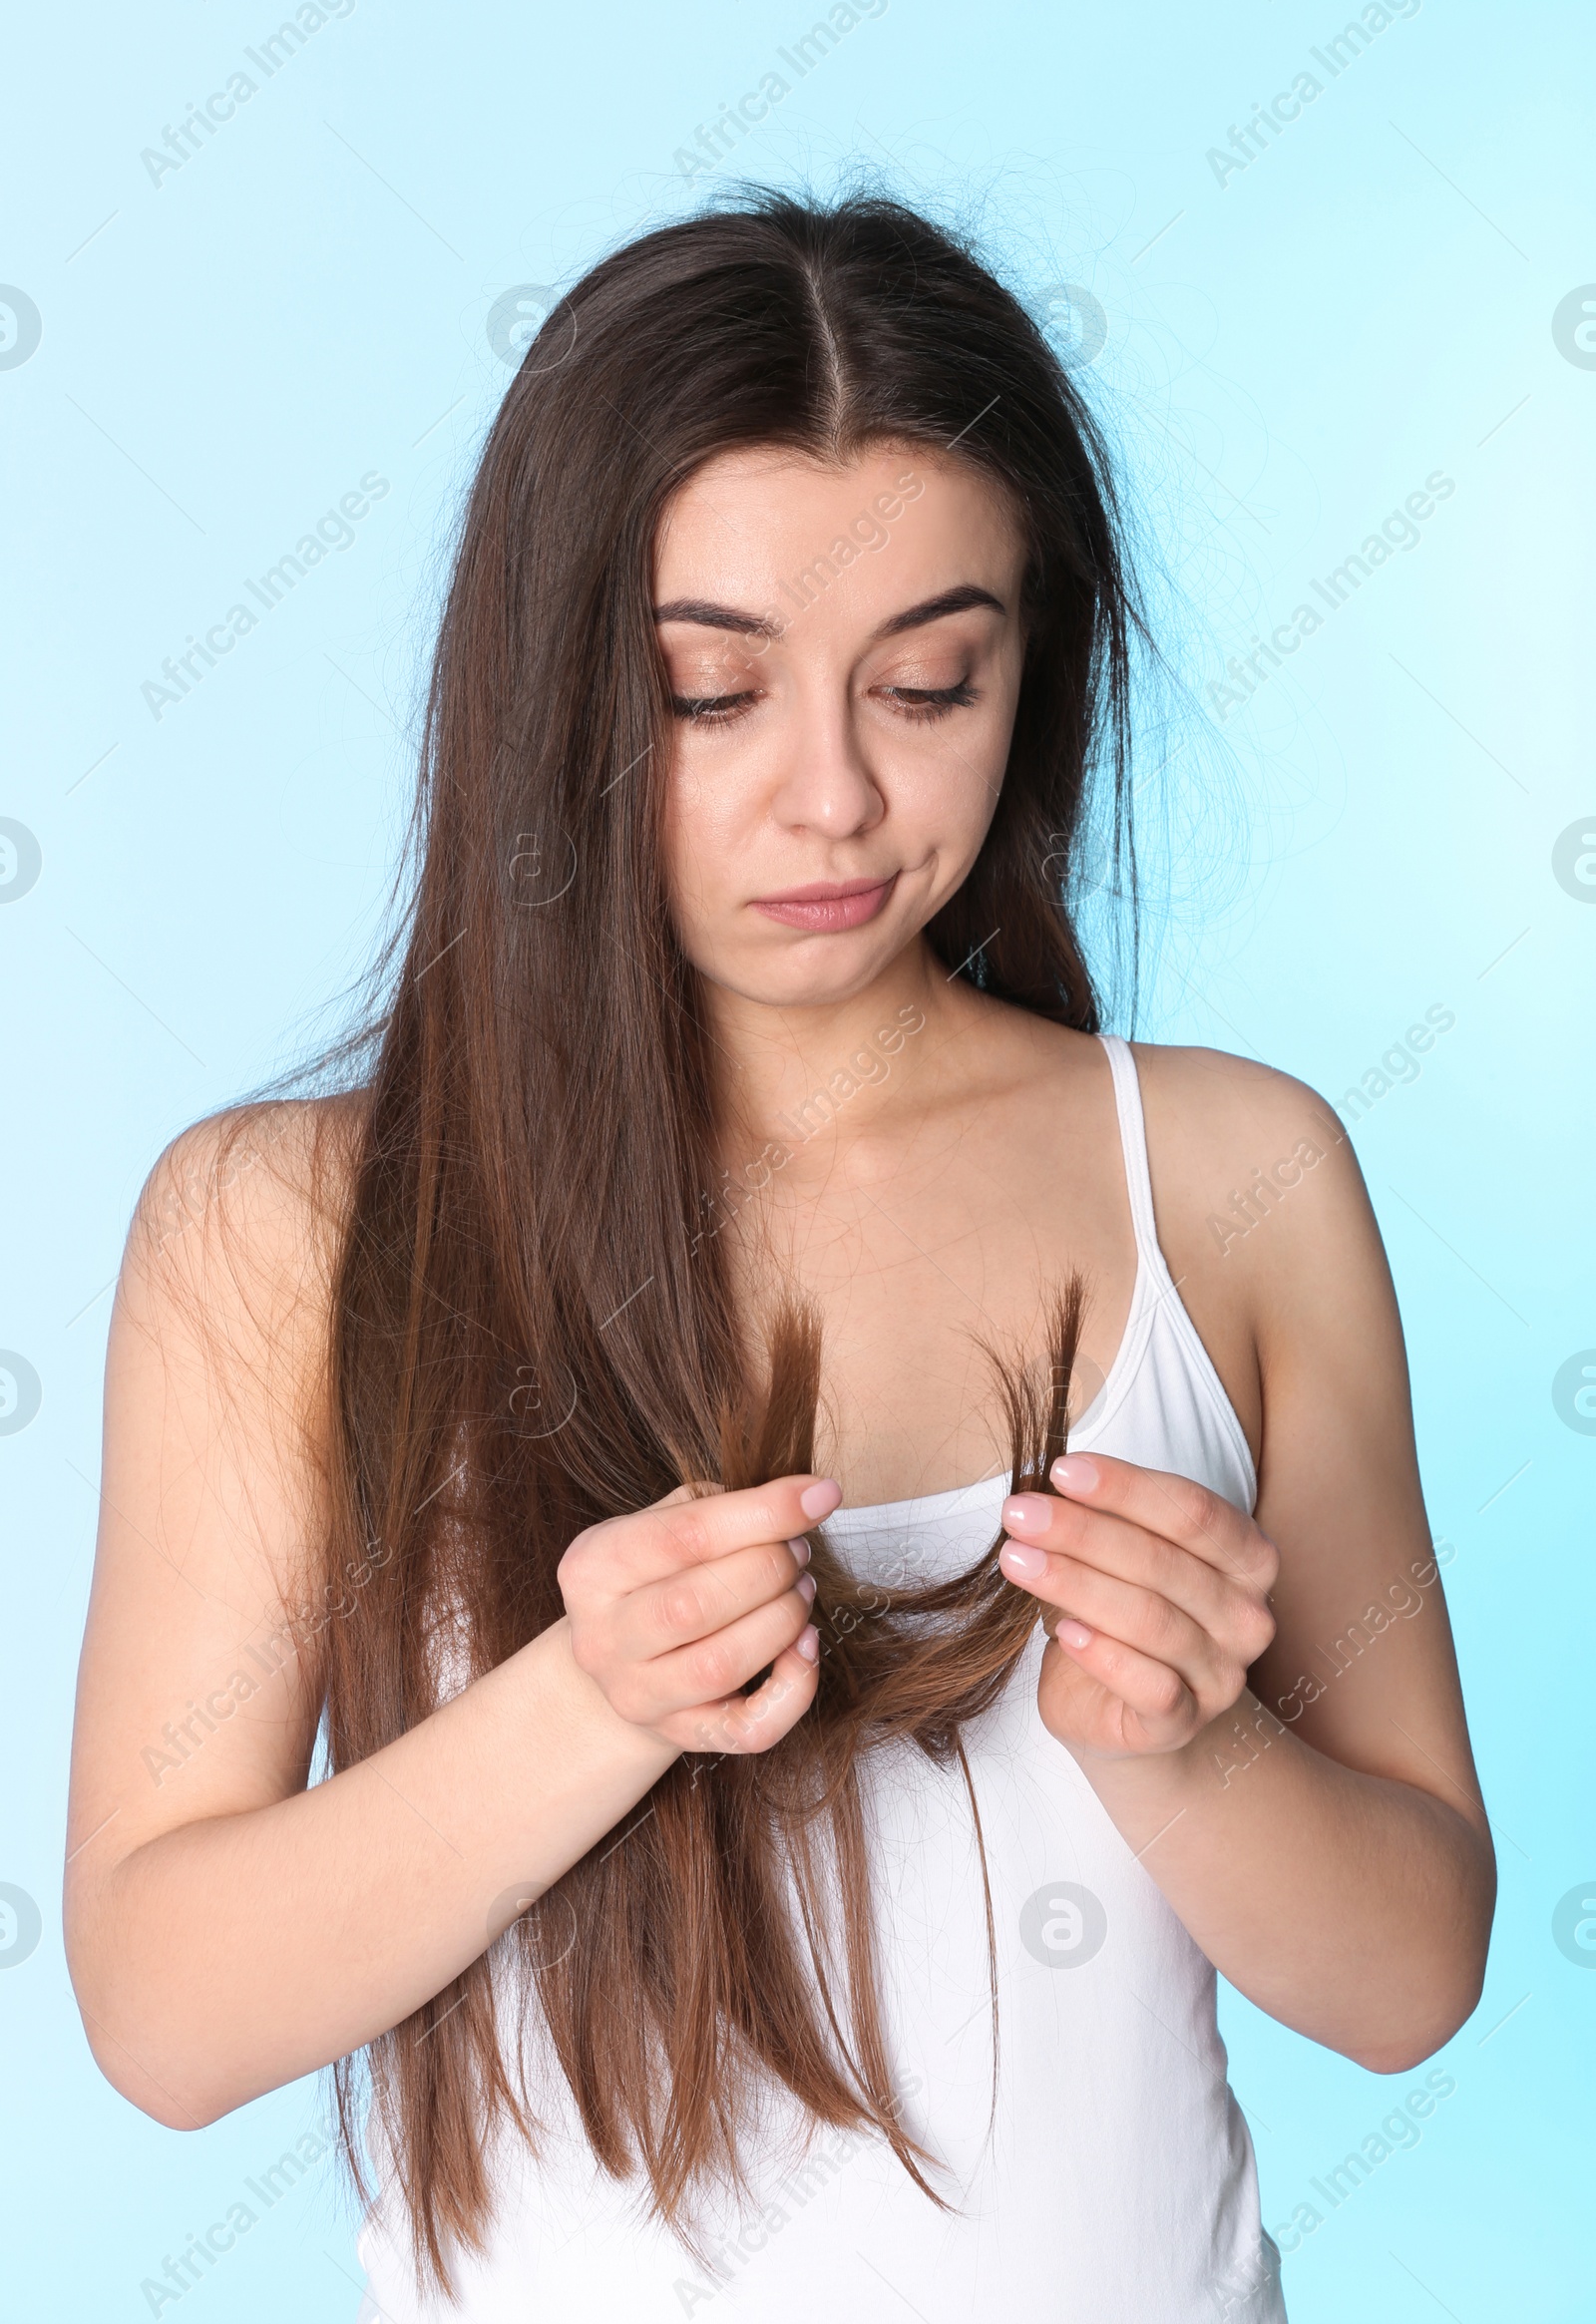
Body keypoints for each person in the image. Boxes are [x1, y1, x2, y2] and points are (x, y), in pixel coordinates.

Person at [64, 192, 1494, 2323]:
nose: (830, 796)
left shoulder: (1226, 1171)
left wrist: (1187, 1751)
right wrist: (586, 1707)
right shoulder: (279, 1227)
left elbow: (1406, 1982)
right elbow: (166, 2019)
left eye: (927, 682)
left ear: (1031, 670)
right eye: (709, 697)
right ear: (553, 698)